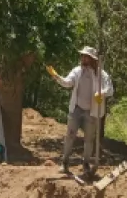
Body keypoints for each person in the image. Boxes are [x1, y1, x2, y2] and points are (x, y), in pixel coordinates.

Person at [46, 46, 114, 176]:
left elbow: (110, 89)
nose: (83, 58)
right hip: (76, 109)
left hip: (92, 112)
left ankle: (86, 164)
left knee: (89, 139)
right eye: (82, 56)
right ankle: (65, 162)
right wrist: (56, 76)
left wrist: (102, 93)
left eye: (86, 56)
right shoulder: (77, 71)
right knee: (70, 136)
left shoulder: (102, 75)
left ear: (92, 59)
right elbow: (67, 83)